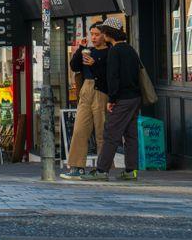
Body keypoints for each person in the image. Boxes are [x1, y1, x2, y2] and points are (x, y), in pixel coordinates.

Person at [82, 17, 142, 181]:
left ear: (109, 33)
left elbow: (113, 77)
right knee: (130, 135)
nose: (103, 34)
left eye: (104, 31)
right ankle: (131, 170)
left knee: (111, 133)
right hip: (135, 97)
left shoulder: (114, 51)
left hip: (121, 98)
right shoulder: (130, 50)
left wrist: (112, 99)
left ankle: (102, 170)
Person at [61, 26, 111, 179]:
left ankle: (102, 169)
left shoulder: (110, 52)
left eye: (97, 34)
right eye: (92, 34)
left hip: (102, 91)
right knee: (79, 129)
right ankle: (77, 167)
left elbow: (110, 74)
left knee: (101, 131)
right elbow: (74, 66)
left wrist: (94, 64)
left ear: (105, 35)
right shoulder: (88, 51)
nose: (94, 37)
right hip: (86, 89)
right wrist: (80, 48)